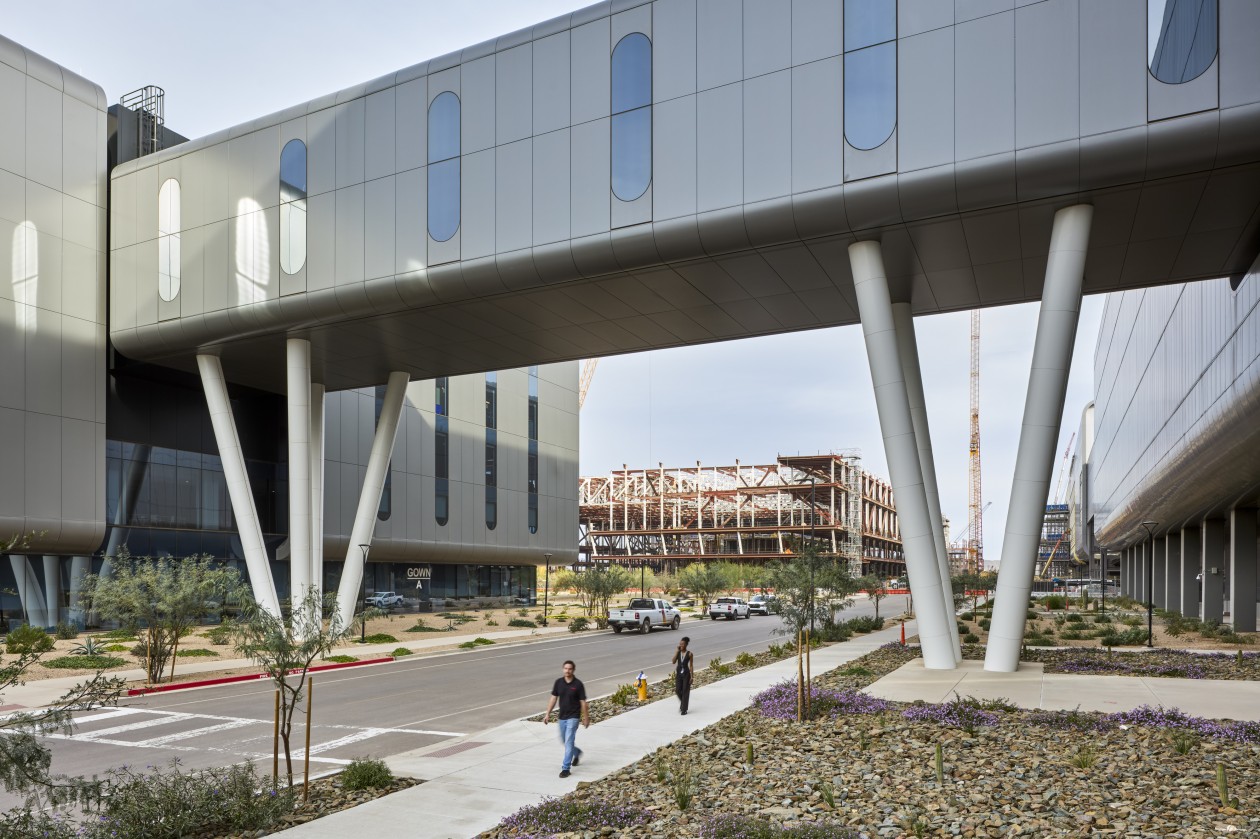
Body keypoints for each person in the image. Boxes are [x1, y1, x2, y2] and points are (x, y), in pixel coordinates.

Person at [543, 659, 588, 777]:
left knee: (568, 742)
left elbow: (583, 702)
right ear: (563, 669)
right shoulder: (558, 682)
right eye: (565, 668)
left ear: (573, 670)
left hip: (573, 717)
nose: (567, 671)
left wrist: (585, 718)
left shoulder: (578, 684)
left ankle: (566, 768)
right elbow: (553, 698)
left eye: (570, 669)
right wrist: (548, 713)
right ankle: (577, 753)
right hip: (562, 717)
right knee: (564, 741)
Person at [672, 636, 694, 715]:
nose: (680, 645)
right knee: (678, 690)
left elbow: (691, 666)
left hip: (686, 674)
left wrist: (692, 676)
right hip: (679, 674)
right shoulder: (678, 653)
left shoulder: (690, 654)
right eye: (680, 644)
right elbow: (673, 661)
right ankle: (683, 704)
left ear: (686, 645)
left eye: (682, 644)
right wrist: (676, 651)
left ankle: (684, 710)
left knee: (685, 691)